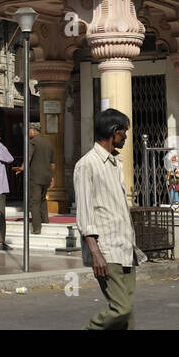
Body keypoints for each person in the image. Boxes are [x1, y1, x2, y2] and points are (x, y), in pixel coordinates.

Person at [74, 108, 145, 330]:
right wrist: (96, 253)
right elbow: (85, 212)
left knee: (128, 313)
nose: (125, 137)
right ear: (114, 131)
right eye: (123, 132)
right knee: (120, 308)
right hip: (106, 251)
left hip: (125, 247)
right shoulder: (87, 164)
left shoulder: (115, 163)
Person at [26, 122, 55, 235]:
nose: (28, 132)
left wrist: (22, 167)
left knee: (34, 201)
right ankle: (45, 220)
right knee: (43, 199)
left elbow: (28, 157)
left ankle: (37, 227)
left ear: (33, 130)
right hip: (46, 176)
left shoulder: (32, 142)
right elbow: (53, 164)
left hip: (35, 176)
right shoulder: (48, 143)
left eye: (29, 130)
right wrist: (52, 176)